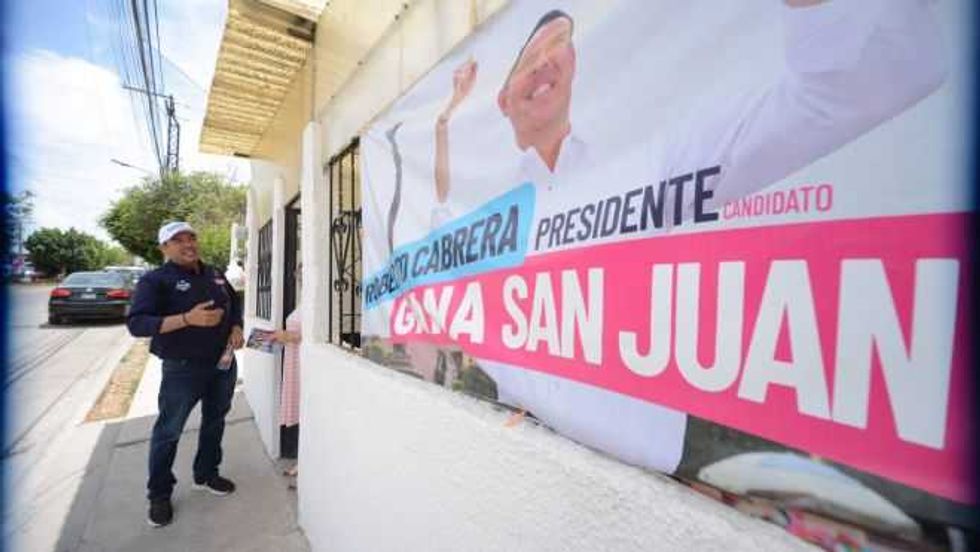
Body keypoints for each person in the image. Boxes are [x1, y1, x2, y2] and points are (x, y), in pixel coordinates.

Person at [427, 1, 946, 473]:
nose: (545, 62)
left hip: (642, 485)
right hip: (518, 449)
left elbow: (870, 79)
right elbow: (439, 230)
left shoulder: (649, 163)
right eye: (529, 56)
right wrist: (446, 121)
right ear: (502, 99)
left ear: (576, 66)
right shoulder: (489, 212)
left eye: (559, 45)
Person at [127, 221, 245, 527]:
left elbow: (235, 302)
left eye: (191, 237)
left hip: (223, 364)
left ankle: (206, 474)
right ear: (164, 248)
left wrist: (235, 326)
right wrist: (186, 319)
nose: (188, 244)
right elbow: (137, 323)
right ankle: (159, 494)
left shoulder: (215, 273)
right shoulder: (155, 280)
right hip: (182, 369)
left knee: (215, 421)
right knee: (169, 431)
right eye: (178, 240)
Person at [270, 263, 303, 478]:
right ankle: (302, 460)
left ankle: (304, 462)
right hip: (294, 360)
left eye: (302, 271)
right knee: (300, 411)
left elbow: (317, 336)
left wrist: (289, 336)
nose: (298, 275)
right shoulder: (304, 299)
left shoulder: (318, 301)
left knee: (306, 411)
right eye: (297, 271)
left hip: (303, 364)